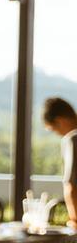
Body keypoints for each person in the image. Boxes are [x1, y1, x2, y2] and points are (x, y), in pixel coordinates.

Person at [43, 97, 77, 229]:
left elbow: (71, 185)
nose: (57, 134)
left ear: (59, 121)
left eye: (53, 129)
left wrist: (75, 220)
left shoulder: (72, 139)